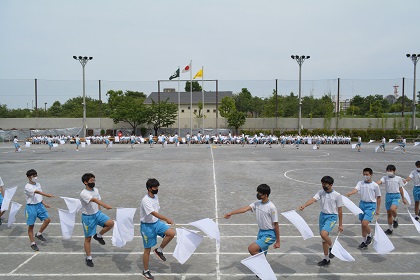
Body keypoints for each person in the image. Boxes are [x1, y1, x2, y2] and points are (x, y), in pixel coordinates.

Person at [224, 184, 280, 258]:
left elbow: (276, 224)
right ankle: (263, 267)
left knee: (252, 249)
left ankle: (263, 264)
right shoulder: (257, 203)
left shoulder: (271, 207)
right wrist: (231, 213)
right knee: (260, 253)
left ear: (265, 195)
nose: (257, 195)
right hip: (261, 233)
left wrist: (278, 241)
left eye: (259, 194)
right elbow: (245, 209)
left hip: (269, 235)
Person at [299, 176, 343, 266]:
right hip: (322, 216)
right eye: (322, 184)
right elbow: (313, 199)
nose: (323, 186)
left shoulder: (337, 196)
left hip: (331, 217)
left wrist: (340, 224)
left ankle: (332, 247)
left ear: (331, 185)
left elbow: (340, 210)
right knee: (323, 239)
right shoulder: (321, 192)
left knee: (324, 234)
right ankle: (326, 259)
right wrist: (304, 205)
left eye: (325, 184)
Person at [140, 178, 175, 280]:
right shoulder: (145, 200)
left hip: (156, 223)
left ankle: (159, 250)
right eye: (155, 187)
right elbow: (153, 213)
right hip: (147, 227)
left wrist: (162, 220)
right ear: (149, 188)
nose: (157, 189)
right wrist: (166, 219)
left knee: (171, 233)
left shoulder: (155, 197)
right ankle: (145, 271)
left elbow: (156, 213)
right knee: (147, 250)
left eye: (157, 187)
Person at [80, 173, 114, 267]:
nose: (93, 182)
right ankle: (89, 257)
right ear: (85, 182)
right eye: (91, 181)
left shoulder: (96, 190)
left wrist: (100, 211)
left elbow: (97, 201)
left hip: (97, 214)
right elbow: (94, 200)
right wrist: (105, 205)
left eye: (94, 180)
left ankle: (99, 235)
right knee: (88, 238)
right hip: (88, 217)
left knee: (110, 223)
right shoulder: (84, 193)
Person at [346, 168, 381, 249]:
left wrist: (378, 209)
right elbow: (356, 189)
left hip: (371, 205)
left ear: (371, 175)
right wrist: (351, 192)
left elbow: (378, 197)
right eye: (364, 174)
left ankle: (369, 235)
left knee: (365, 223)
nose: (365, 176)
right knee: (362, 224)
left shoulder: (375, 185)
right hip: (362, 204)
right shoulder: (360, 183)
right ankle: (364, 241)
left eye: (367, 174)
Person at [24, 169, 54, 251]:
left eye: (36, 175)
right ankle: (32, 243)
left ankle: (39, 233)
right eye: (33, 176)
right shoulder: (27, 187)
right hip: (31, 207)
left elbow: (39, 196)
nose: (35, 177)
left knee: (47, 220)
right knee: (31, 225)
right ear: (28, 177)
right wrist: (47, 195)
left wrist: (44, 203)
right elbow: (37, 192)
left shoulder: (38, 184)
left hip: (39, 205)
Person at [375, 164, 407, 235]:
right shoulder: (385, 178)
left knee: (393, 209)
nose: (389, 172)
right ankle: (390, 229)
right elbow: (379, 182)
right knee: (389, 213)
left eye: (391, 170)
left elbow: (401, 188)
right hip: (388, 196)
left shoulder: (398, 178)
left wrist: (403, 198)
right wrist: (373, 184)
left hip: (396, 196)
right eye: (388, 170)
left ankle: (395, 219)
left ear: (394, 171)